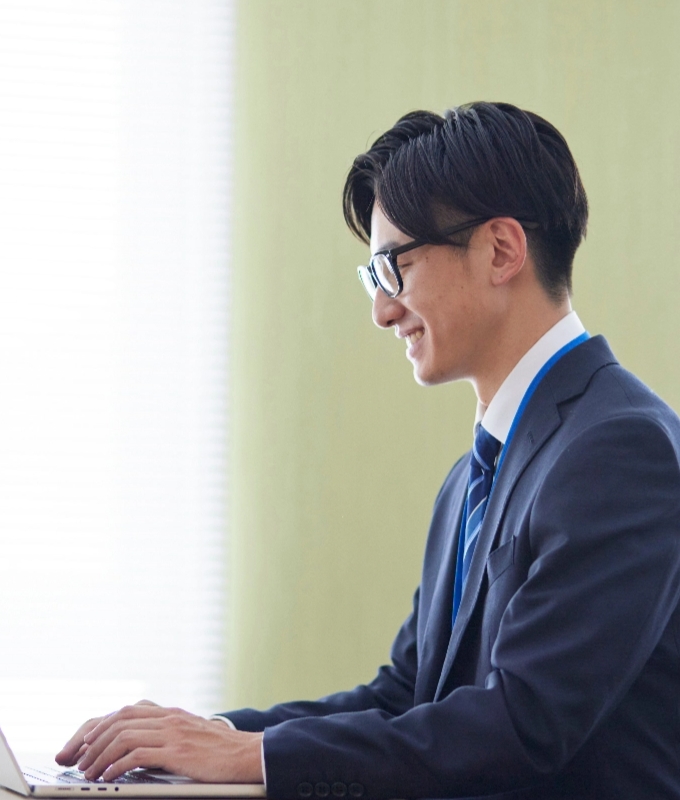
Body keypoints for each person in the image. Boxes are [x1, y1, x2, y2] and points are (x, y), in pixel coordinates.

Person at [56, 102, 680, 799]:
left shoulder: (620, 448)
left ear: (501, 250)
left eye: (394, 268)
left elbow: (523, 723)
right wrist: (205, 737)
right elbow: (407, 697)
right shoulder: (478, 474)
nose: (383, 310)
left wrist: (250, 756)